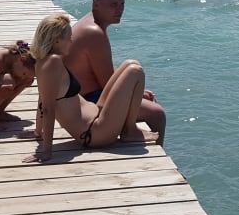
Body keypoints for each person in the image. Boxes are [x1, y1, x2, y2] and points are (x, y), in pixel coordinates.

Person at [24, 13, 155, 163]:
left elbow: (42, 98)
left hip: (98, 116)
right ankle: (130, 131)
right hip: (95, 132)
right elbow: (47, 108)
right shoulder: (52, 63)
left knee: (131, 63)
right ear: (57, 41)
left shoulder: (44, 61)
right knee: (135, 71)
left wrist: (37, 132)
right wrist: (47, 151)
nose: (71, 40)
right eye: (68, 37)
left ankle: (129, 129)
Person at [66, 0, 167, 144]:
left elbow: (103, 69)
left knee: (131, 66)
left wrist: (137, 91)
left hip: (85, 96)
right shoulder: (94, 33)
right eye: (113, 4)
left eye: (122, 4)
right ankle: (140, 140)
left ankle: (130, 130)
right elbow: (106, 83)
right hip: (88, 102)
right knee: (157, 113)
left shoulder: (90, 23)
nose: (119, 9)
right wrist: (137, 93)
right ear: (96, 4)